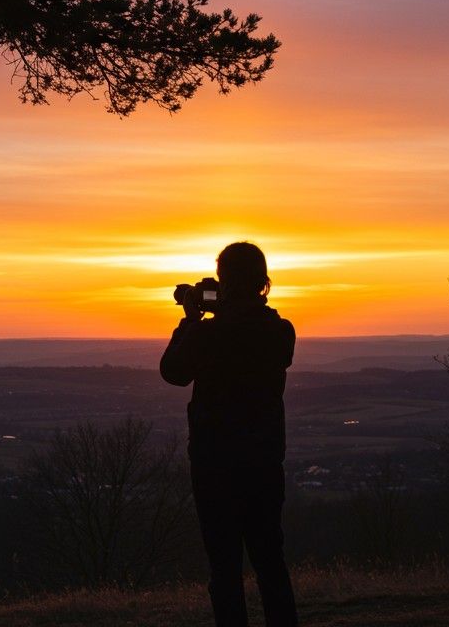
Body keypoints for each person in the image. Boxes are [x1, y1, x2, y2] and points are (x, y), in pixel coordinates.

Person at [160, 241, 298, 627]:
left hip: (214, 465)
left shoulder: (208, 334)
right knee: (271, 563)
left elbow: (173, 371)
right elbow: (253, 329)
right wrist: (222, 309)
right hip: (265, 462)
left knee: (224, 568)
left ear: (224, 281)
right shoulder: (281, 332)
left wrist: (192, 318)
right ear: (263, 281)